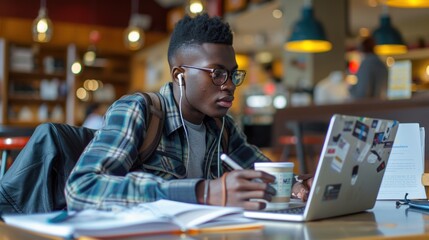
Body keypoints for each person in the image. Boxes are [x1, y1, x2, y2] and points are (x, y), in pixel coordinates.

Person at [65, 13, 312, 211]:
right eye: (216, 73)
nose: (229, 84)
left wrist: (299, 184)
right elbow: (82, 188)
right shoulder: (138, 111)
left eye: (232, 74)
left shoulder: (221, 127)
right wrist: (202, 192)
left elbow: (263, 172)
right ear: (179, 75)